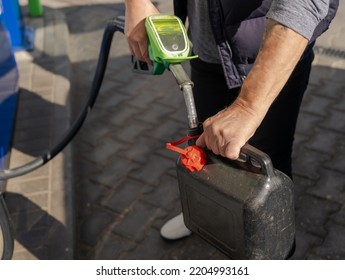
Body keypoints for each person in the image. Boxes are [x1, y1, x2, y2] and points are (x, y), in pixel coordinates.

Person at [124, 0, 339, 240]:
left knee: (269, 166)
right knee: (205, 150)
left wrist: (248, 107)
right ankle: (203, 216)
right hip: (206, 47)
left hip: (270, 51)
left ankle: (272, 242)